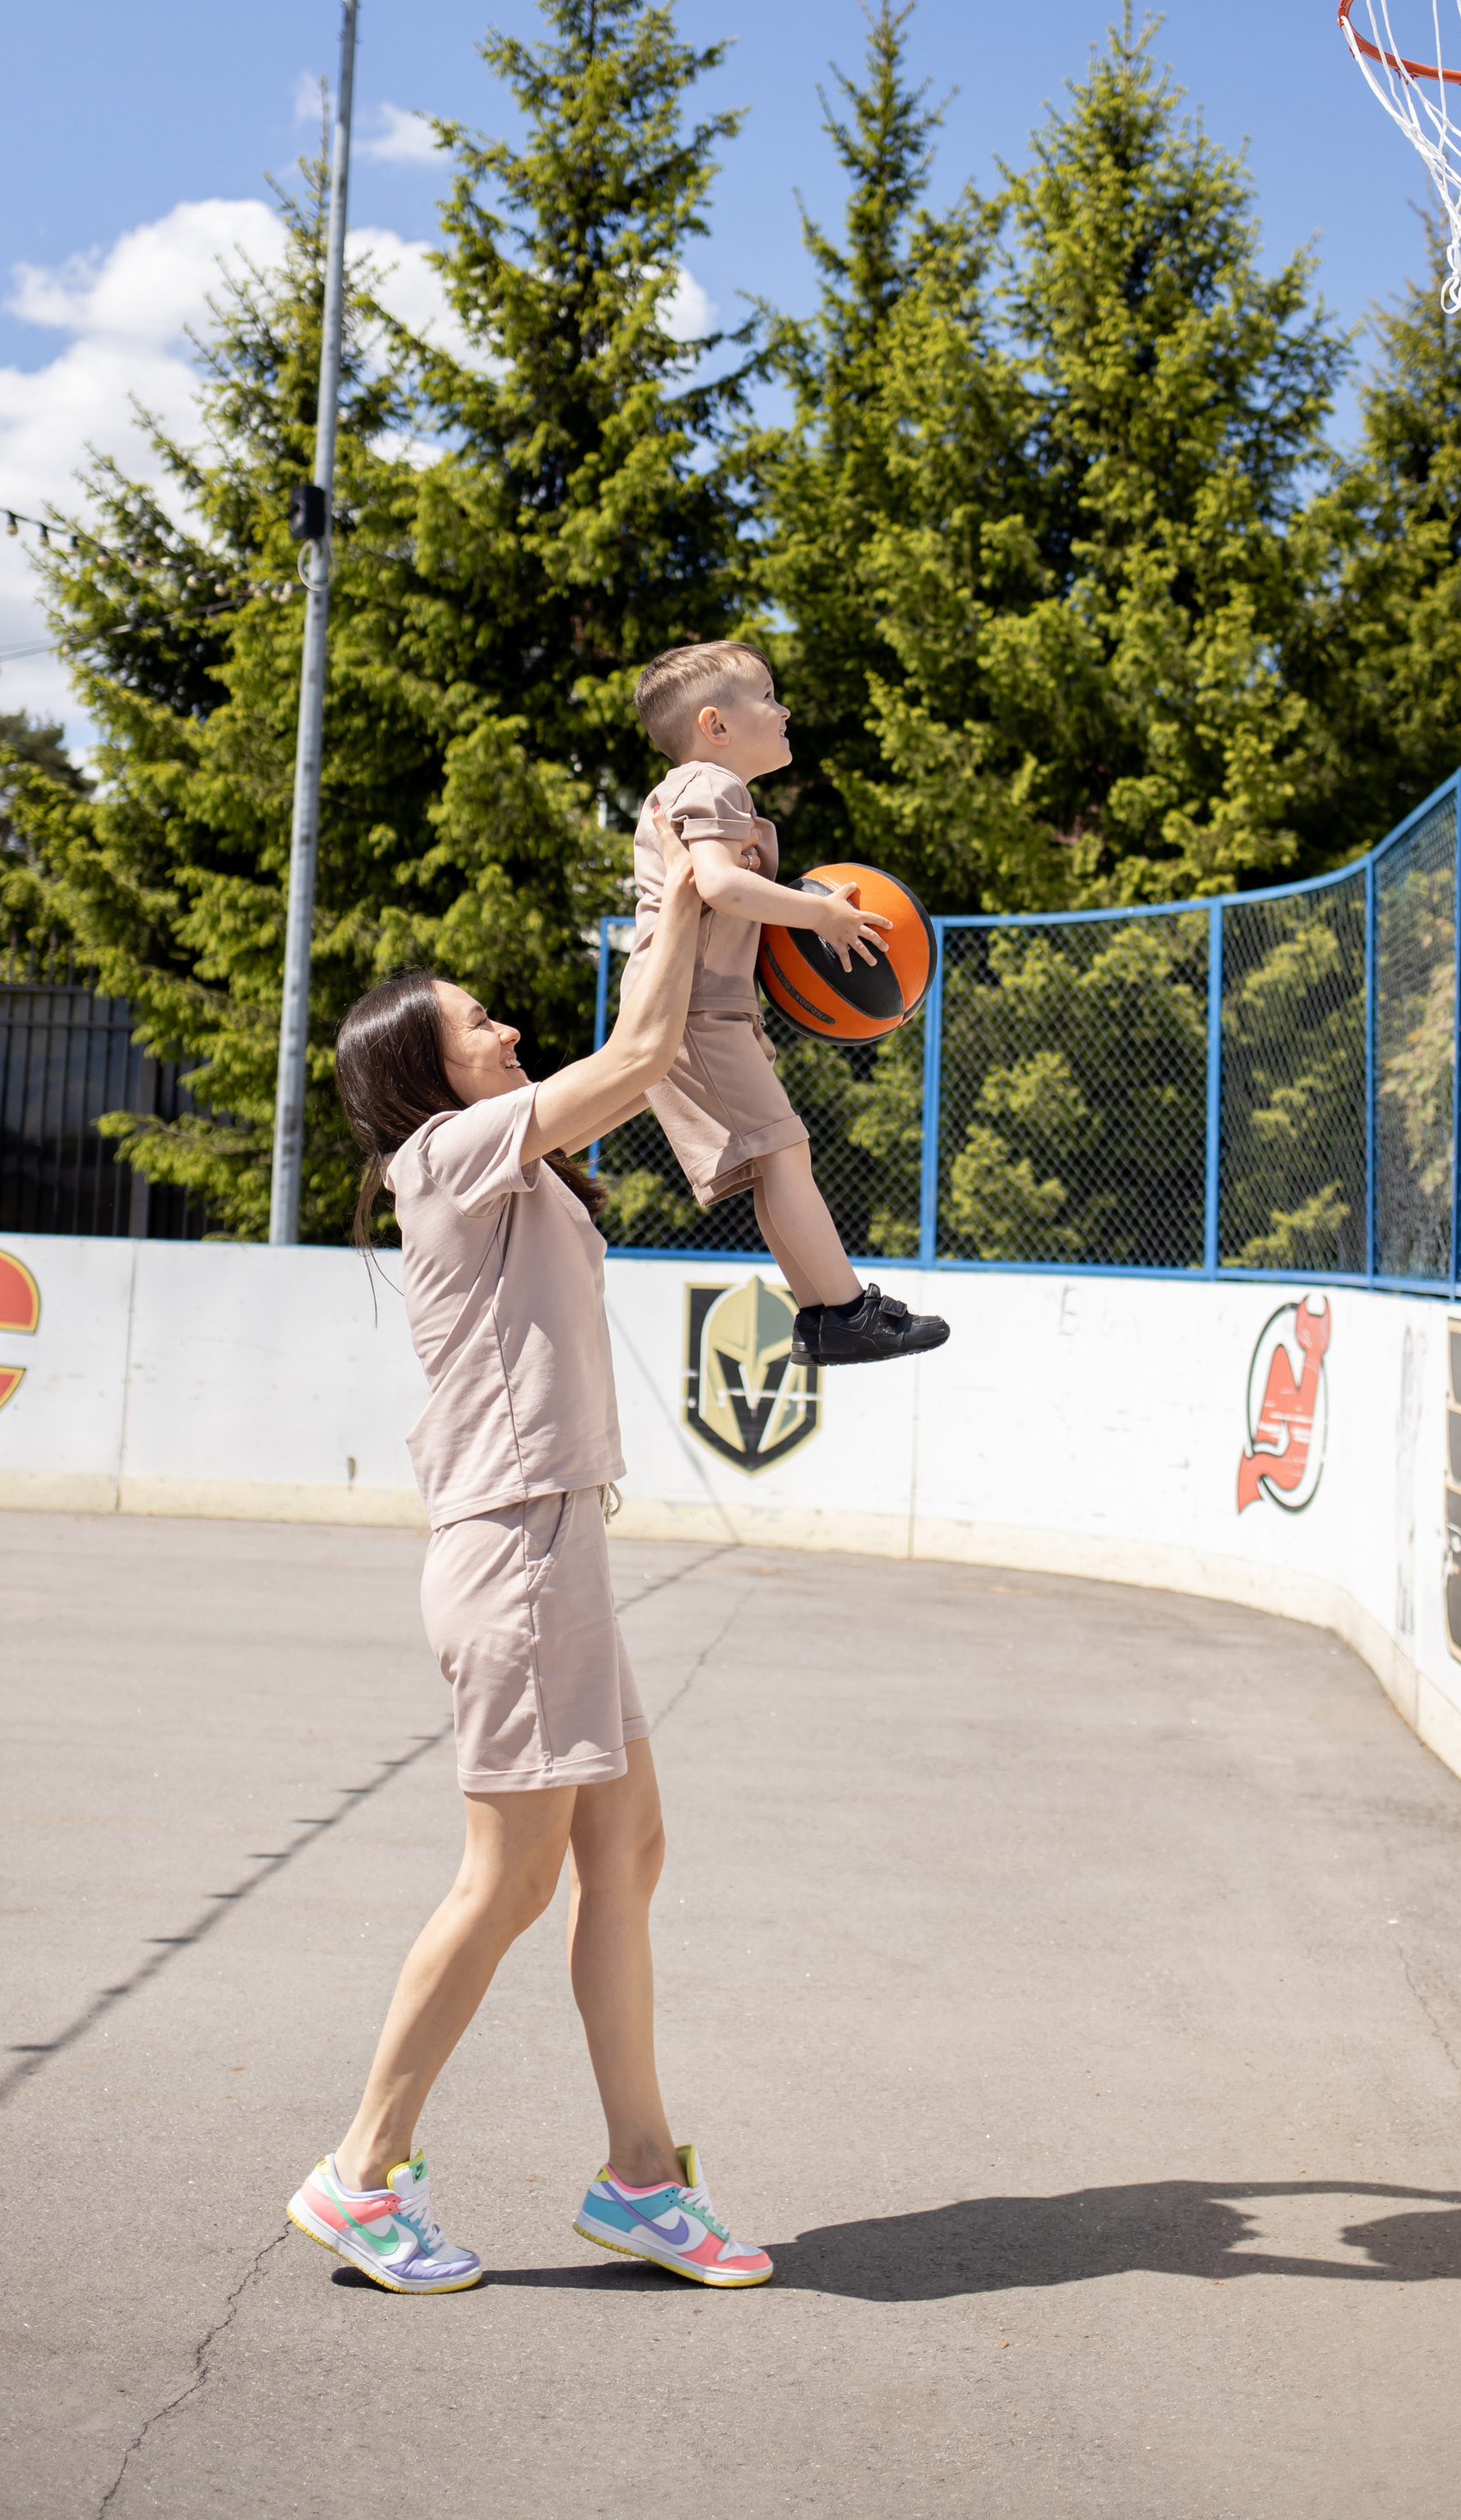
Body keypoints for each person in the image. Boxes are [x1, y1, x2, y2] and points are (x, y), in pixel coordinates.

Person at [288, 810, 772, 2295]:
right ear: (423, 1072)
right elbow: (632, 1066)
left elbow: (632, 1071)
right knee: (507, 1882)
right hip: (514, 1551)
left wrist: (691, 929)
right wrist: (684, 892)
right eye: (474, 1023)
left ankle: (639, 2178)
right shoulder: (447, 1153)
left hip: (557, 1540)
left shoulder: (517, 1164)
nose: (501, 1029)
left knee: (625, 1849)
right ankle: (359, 2176)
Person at [628, 639, 950, 1367]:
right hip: (693, 1004)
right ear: (715, 725)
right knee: (784, 1149)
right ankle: (844, 1312)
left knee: (779, 1157)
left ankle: (827, 1315)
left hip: (704, 1003)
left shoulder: (700, 786)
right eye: (767, 696)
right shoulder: (709, 783)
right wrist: (822, 918)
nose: (784, 709)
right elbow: (718, 884)